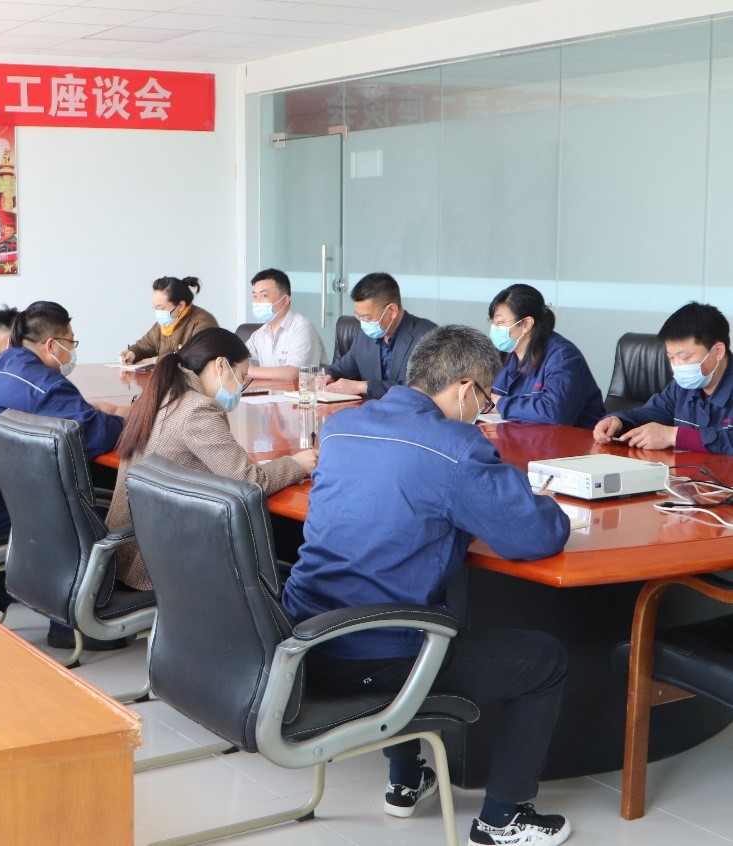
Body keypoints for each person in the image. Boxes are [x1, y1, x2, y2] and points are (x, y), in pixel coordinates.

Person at [283, 325, 572, 846]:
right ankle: (504, 818)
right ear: (464, 389)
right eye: (486, 398)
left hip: (303, 641)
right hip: (374, 660)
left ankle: (405, 779)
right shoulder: (455, 447)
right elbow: (532, 534)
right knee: (544, 660)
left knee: (405, 596)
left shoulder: (341, 427)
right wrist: (547, 501)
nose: (484, 409)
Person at [107, 328, 316, 591]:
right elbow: (249, 480)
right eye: (241, 377)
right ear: (220, 365)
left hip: (126, 555)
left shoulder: (164, 392)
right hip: (157, 566)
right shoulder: (197, 409)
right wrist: (297, 464)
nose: (240, 387)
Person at [0, 300, 126, 539]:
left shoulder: (2, 363)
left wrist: (87, 410)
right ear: (52, 345)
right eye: (71, 342)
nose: (72, 350)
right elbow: (100, 434)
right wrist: (129, 418)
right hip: (0, 511)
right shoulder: (46, 385)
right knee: (119, 501)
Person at [594, 302, 733, 453]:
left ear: (717, 351)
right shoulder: (681, 387)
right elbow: (651, 413)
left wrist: (673, 436)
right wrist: (619, 421)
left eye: (685, 357)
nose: (677, 365)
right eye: (671, 357)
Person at [487, 284, 605, 428]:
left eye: (500, 323)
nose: (494, 329)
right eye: (493, 322)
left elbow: (555, 412)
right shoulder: (504, 354)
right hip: (522, 435)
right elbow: (484, 395)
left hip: (574, 439)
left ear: (526, 324)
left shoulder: (562, 356)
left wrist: (500, 404)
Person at [325, 272, 436, 399]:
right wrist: (326, 375)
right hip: (369, 409)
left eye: (367, 318)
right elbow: (339, 369)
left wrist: (363, 386)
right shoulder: (363, 336)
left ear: (392, 311)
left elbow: (421, 388)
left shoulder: (428, 336)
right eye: (359, 316)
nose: (363, 323)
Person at [244, 268, 327, 380]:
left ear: (285, 300)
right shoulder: (260, 334)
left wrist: (246, 370)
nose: (257, 302)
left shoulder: (302, 328)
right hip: (269, 391)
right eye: (255, 296)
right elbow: (240, 361)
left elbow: (293, 374)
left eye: (264, 295)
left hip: (301, 391)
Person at [117, 276, 219, 364]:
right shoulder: (163, 325)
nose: (158, 312)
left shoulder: (203, 322)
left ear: (181, 305)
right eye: (155, 307)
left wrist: (155, 360)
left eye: (161, 308)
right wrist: (132, 354)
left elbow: (195, 358)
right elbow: (143, 346)